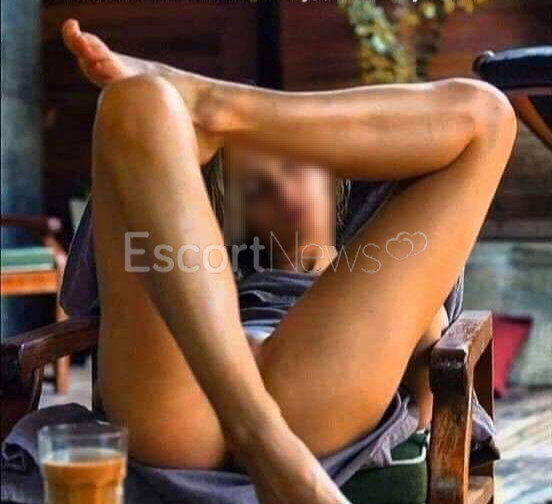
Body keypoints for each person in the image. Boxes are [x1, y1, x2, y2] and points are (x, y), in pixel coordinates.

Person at [60, 19, 516, 504]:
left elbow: (425, 400)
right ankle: (265, 441)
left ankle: (214, 105)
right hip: (189, 394)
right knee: (133, 100)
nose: (281, 187)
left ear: (335, 171)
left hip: (312, 395)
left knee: (490, 113)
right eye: (257, 187)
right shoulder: (206, 269)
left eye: (294, 165)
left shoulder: (379, 265)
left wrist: (414, 325)